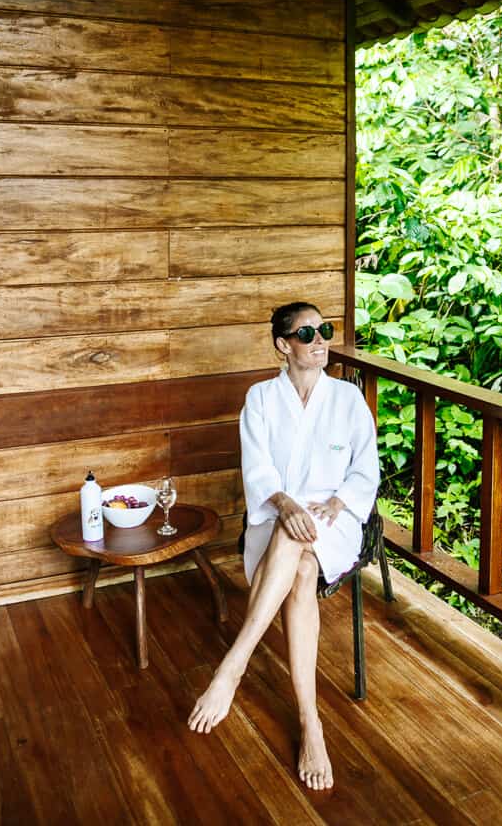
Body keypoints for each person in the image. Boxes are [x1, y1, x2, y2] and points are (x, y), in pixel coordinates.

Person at [187, 301, 380, 791]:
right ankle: (309, 722)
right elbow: (258, 472)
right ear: (282, 345)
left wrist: (339, 501)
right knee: (292, 551)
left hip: (335, 522)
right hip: (274, 516)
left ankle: (234, 666)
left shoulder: (348, 399)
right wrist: (286, 505)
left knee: (300, 549)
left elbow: (367, 470)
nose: (320, 341)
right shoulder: (260, 399)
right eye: (307, 333)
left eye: (325, 331)